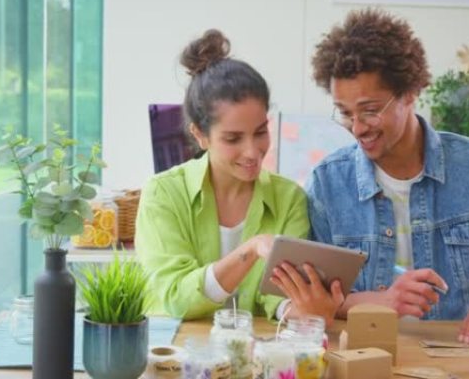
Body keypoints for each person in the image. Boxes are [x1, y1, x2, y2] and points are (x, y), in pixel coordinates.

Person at [274, 8, 469, 343]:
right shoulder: (327, 185)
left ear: (410, 93)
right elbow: (323, 298)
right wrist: (382, 303)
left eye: (370, 111)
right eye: (344, 113)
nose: (356, 128)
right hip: (367, 359)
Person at [135, 29, 342, 323]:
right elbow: (176, 297)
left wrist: (303, 312)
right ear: (200, 135)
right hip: (177, 358)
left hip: (254, 357)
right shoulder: (163, 193)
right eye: (233, 139)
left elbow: (277, 298)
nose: (252, 152)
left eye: (260, 132)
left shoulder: (288, 199)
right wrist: (252, 248)